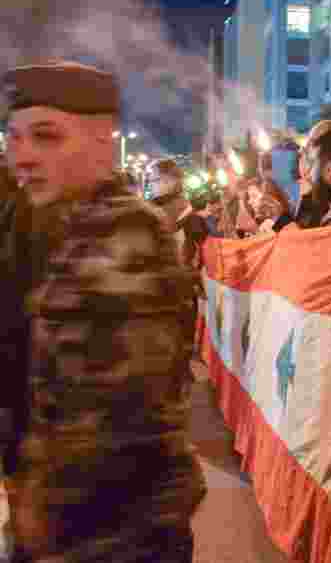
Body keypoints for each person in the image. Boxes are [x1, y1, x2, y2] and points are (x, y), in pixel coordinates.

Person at [1, 60, 206, 562]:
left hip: (115, 538)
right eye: (15, 137)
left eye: (46, 137)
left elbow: (112, 435)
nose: (21, 157)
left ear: (101, 140)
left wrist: (36, 519)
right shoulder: (66, 223)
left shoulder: (126, 233)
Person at [294, 119, 331, 228]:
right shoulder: (325, 198)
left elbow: (304, 239)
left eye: (309, 147)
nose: (301, 153)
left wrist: (307, 196)